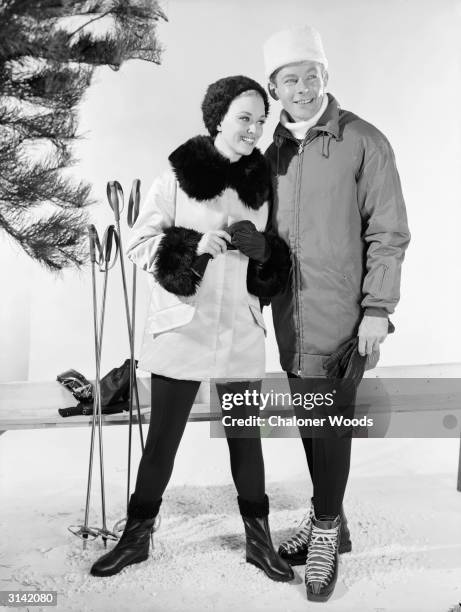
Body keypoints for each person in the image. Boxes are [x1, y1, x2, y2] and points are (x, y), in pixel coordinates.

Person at [90, 75, 293, 583]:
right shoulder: (178, 177)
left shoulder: (263, 183)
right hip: (183, 327)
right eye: (244, 118)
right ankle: (136, 539)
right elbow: (140, 245)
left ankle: (258, 541)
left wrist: (263, 250)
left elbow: (274, 264)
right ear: (219, 117)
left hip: (241, 329)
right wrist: (193, 247)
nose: (253, 129)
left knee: (247, 440)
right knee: (163, 442)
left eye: (259, 120)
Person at [262, 25, 410, 602]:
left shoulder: (363, 140)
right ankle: (335, 519)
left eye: (310, 76)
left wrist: (378, 310)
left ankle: (325, 532)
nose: (301, 88)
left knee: (329, 420)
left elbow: (389, 230)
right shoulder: (270, 149)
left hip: (346, 315)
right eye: (288, 79)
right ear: (275, 87)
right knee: (311, 417)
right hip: (288, 313)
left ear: (327, 77)